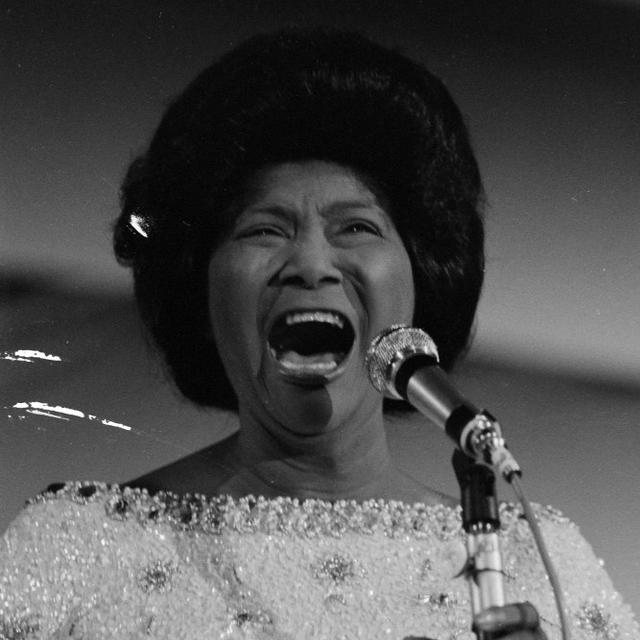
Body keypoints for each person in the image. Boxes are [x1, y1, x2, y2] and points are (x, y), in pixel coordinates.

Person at [0, 28, 637, 640]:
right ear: (203, 289)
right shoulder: (77, 543)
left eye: (356, 228)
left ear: (418, 279)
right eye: (264, 230)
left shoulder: (539, 565)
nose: (310, 264)